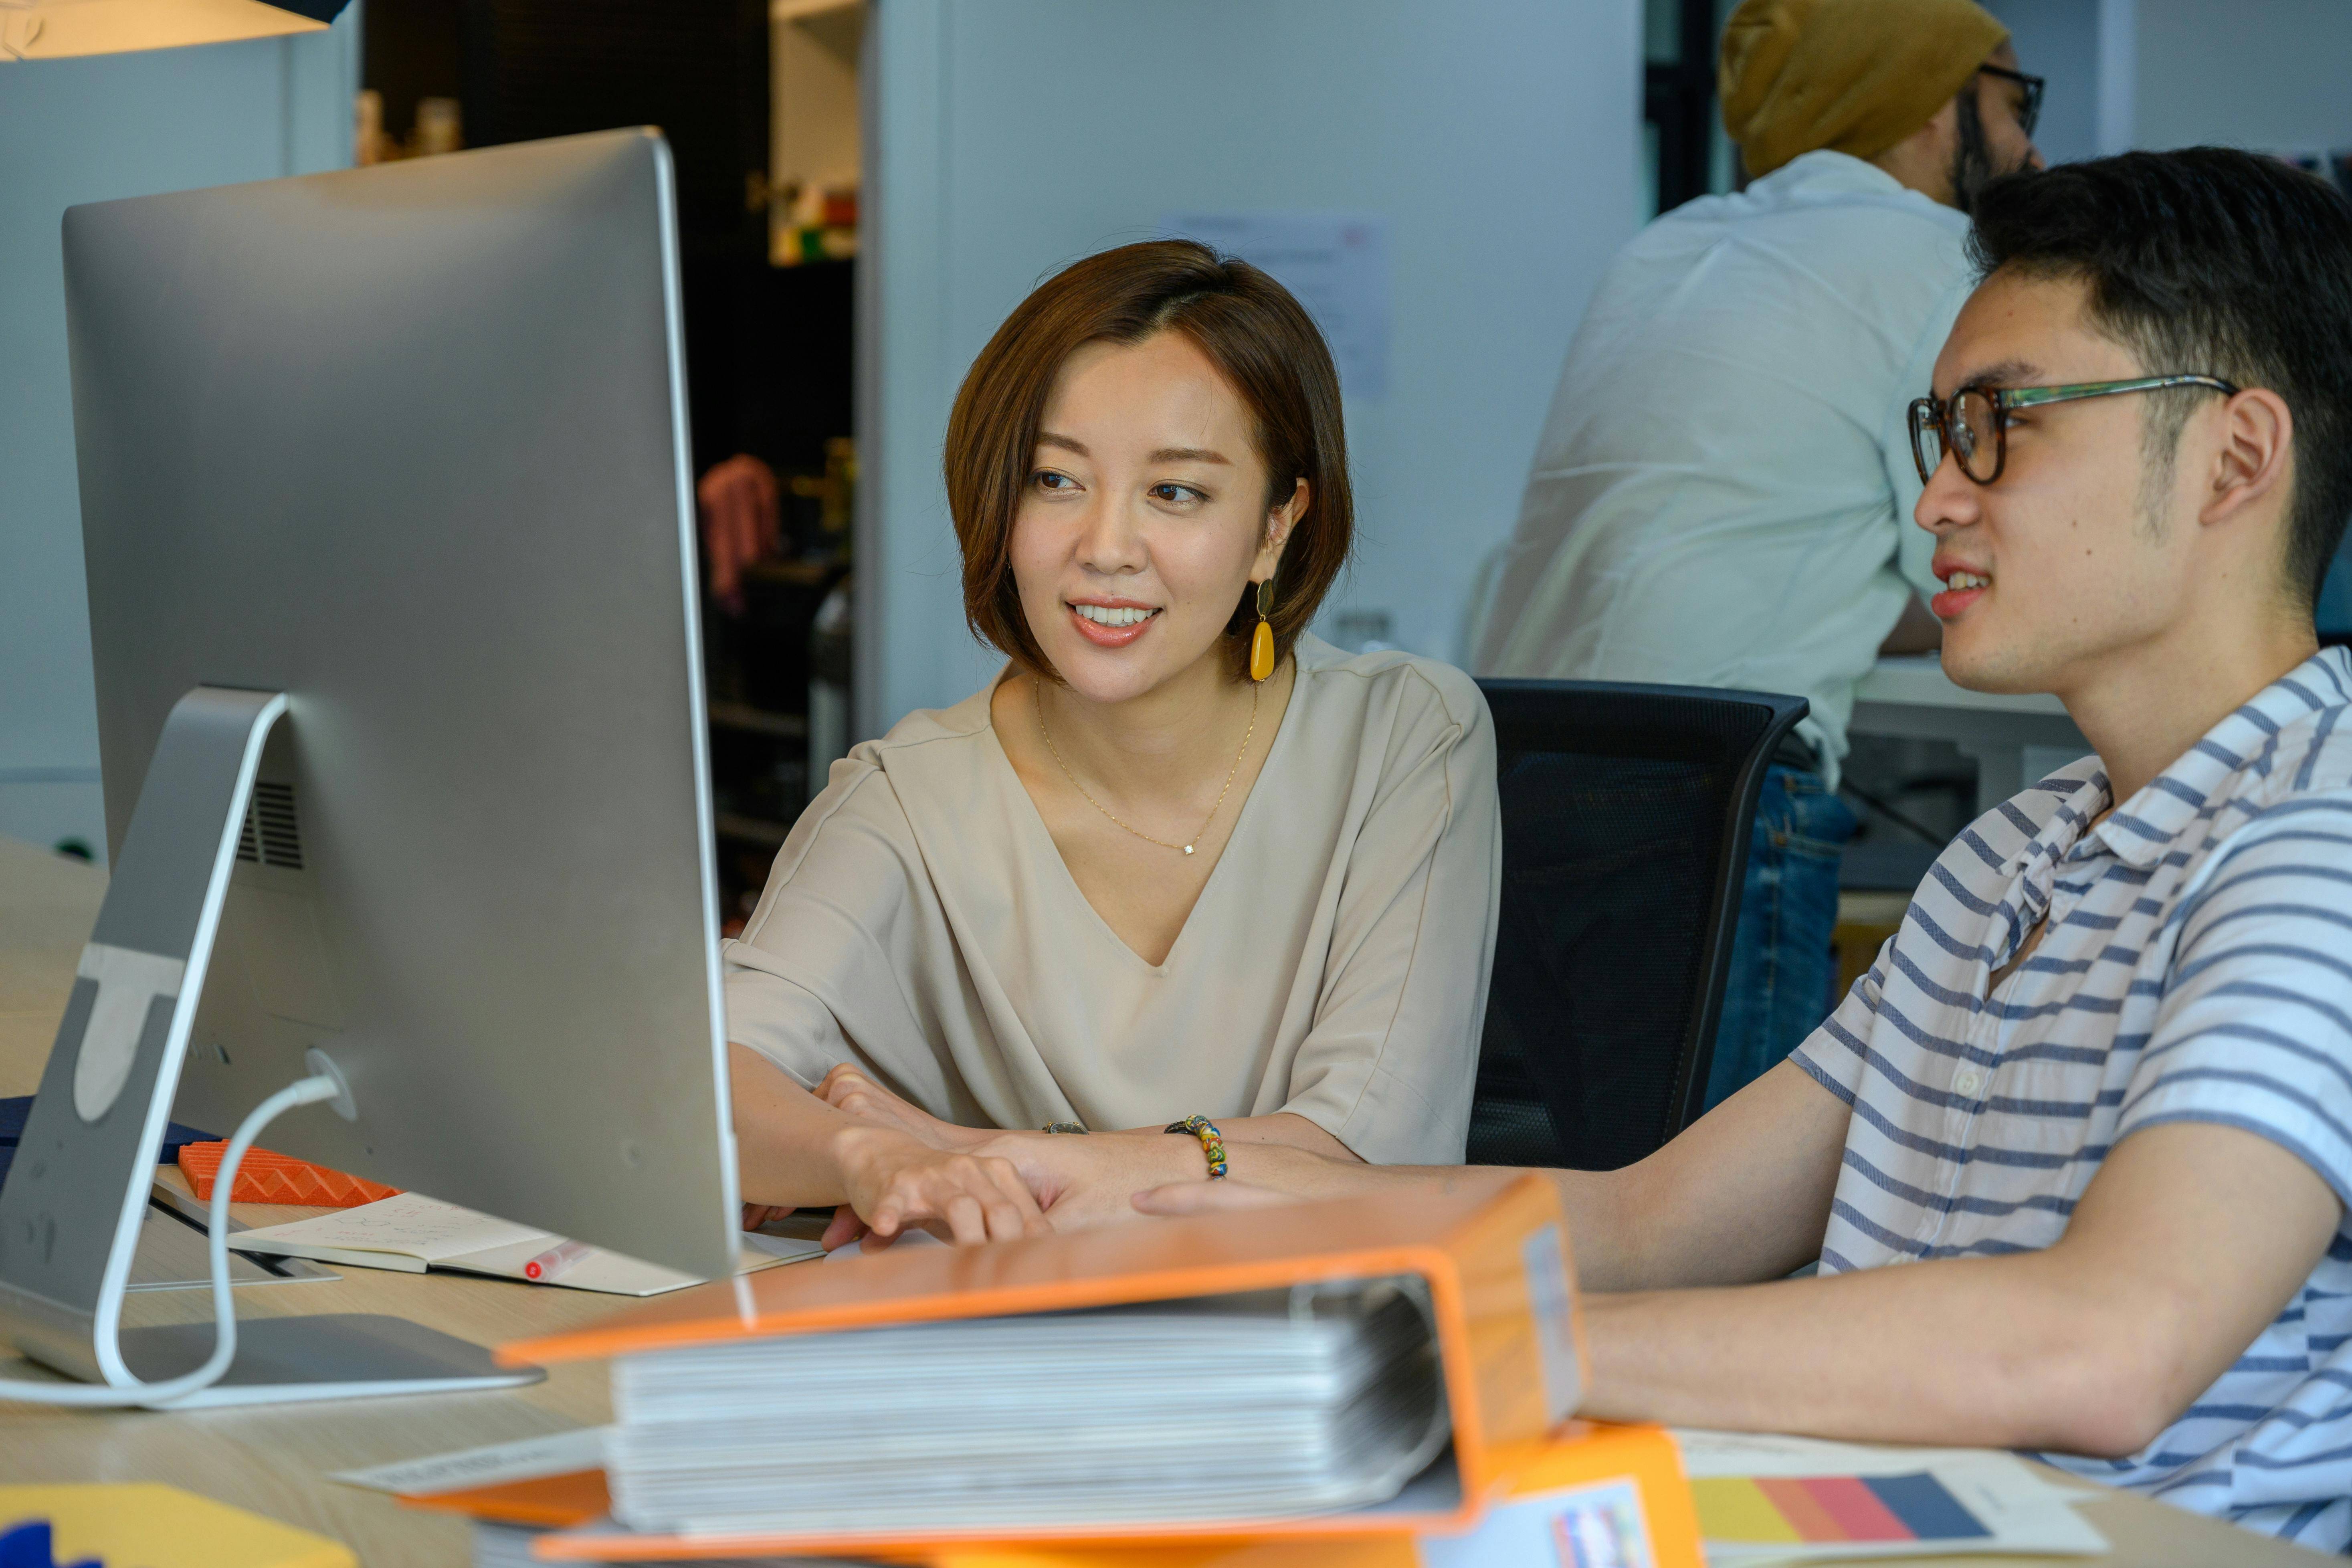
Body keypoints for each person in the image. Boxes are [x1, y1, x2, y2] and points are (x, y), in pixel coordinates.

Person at [1120, 150, 2352, 1548]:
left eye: (1998, 423)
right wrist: (1162, 1192)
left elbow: (2104, 1344)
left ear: (2235, 458)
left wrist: (1472, 1342)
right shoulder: (2014, 853)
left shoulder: (2315, 831)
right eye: (1936, 432)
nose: (1937, 499)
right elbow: (1651, 1221)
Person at [725, 239, 1501, 1251]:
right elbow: (708, 1089)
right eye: (1056, 479)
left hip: (1300, 1364)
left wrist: (974, 1155)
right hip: (998, 1370)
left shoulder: (1408, 739)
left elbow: (1367, 1156)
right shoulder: (904, 797)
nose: (1106, 546)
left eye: (1176, 492)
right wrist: (870, 1157)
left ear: (1277, 527)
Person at [1475, 0, 2043, 1110]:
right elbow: (1981, 559)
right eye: (2016, 103)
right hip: (1703, 780)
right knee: (1707, 1235)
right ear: (1936, 105)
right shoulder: (1939, 256)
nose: (2027, 146)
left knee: (1597, 1207)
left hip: (1508, 772)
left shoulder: (1669, 242)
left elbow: (1731, 533)